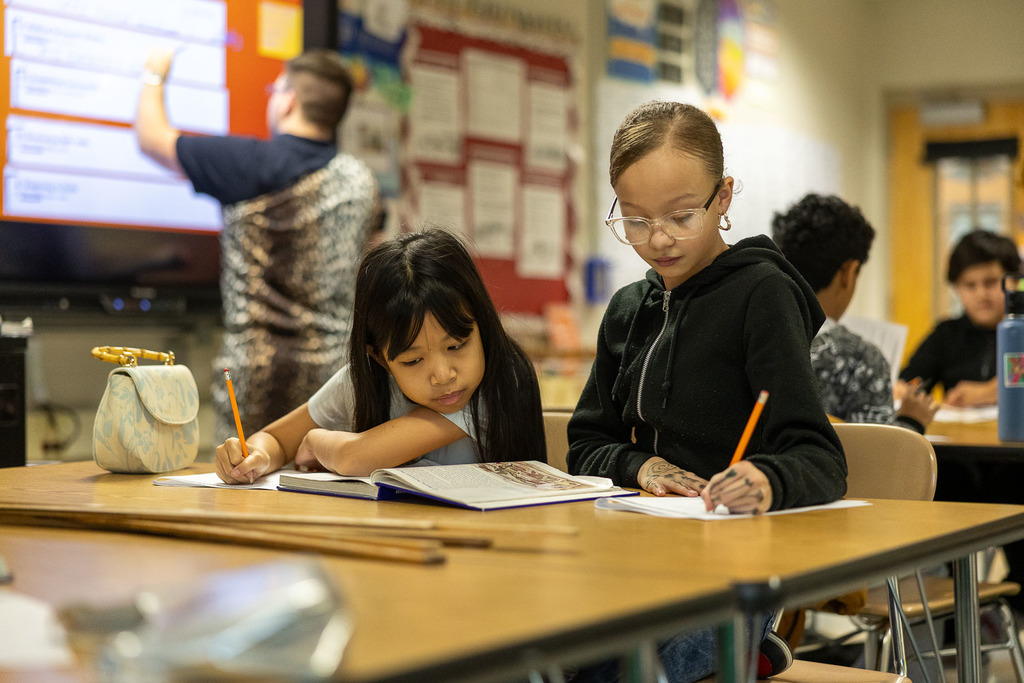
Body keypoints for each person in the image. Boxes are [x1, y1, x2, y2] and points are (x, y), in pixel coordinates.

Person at [566, 101, 846, 682]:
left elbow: (819, 458)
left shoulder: (762, 295)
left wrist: (765, 479)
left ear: (723, 197)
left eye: (680, 216)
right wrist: (642, 466)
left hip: (732, 565)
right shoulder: (628, 310)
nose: (658, 239)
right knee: (550, 654)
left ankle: (748, 645)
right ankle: (747, 655)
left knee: (636, 671)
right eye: (636, 221)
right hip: (633, 557)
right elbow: (586, 444)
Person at [135, 47, 380, 444]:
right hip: (335, 377)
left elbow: (152, 140)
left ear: (288, 101)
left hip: (254, 374)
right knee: (329, 477)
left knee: (244, 472)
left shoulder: (246, 163)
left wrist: (154, 72)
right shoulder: (360, 182)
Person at [214, 228, 545, 483]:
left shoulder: (497, 383)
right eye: (413, 360)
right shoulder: (368, 380)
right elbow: (275, 439)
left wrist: (315, 441)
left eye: (456, 345)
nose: (443, 375)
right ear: (381, 359)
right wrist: (254, 456)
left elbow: (353, 457)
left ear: (483, 325)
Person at [771, 193, 938, 433]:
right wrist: (912, 421)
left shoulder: (753, 330)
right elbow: (878, 452)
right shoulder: (860, 359)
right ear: (848, 273)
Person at [897, 229, 1021, 407]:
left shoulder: (1019, 330)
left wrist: (990, 391)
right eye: (970, 285)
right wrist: (903, 390)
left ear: (1014, 281)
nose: (981, 295)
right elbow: (911, 382)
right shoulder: (946, 334)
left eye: (990, 282)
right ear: (957, 288)